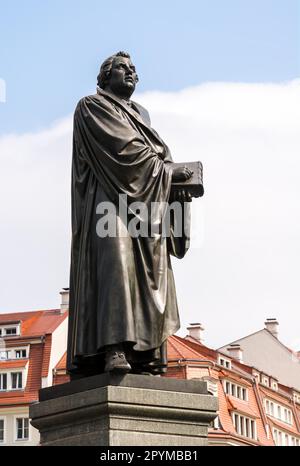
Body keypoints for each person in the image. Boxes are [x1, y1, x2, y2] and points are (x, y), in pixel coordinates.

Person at [67, 51, 193, 378]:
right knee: (115, 267)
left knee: (153, 270)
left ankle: (146, 354)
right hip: (108, 203)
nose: (132, 73)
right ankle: (114, 349)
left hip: (146, 203)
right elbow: (122, 151)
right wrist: (167, 171)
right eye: (123, 68)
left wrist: (169, 176)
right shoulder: (92, 106)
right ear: (105, 77)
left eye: (135, 69)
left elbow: (153, 154)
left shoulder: (142, 114)